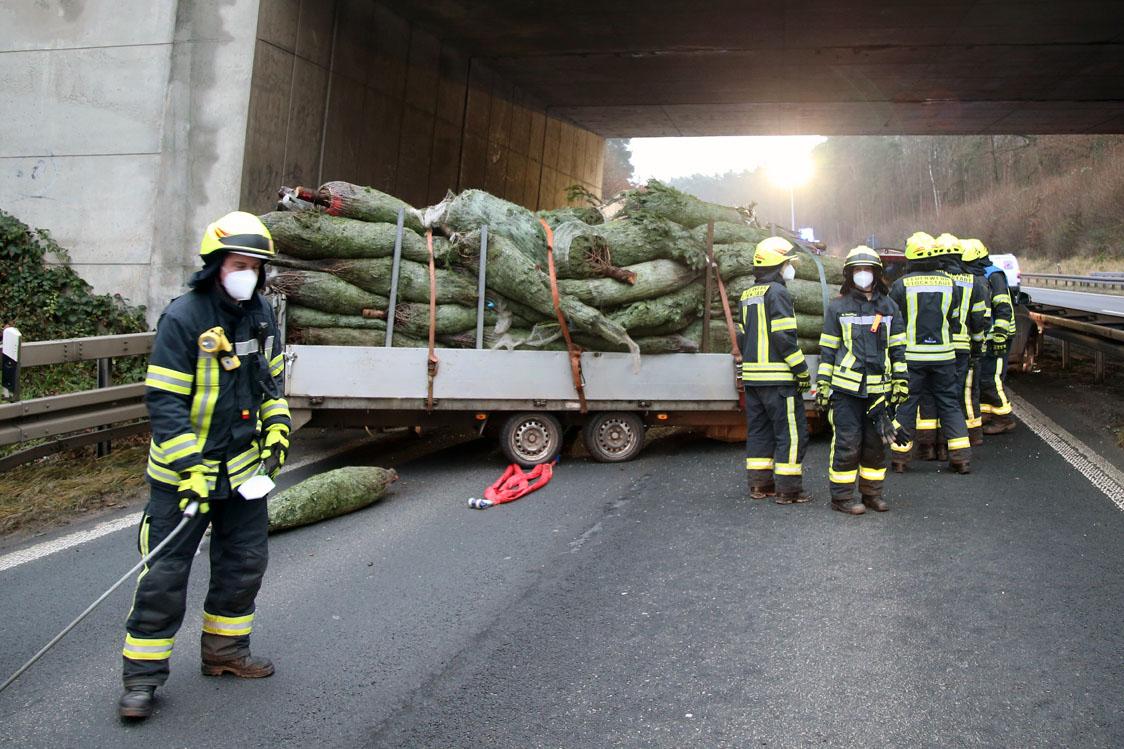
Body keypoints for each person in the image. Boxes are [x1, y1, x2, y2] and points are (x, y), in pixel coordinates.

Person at [118, 212, 291, 720]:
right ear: (215, 265)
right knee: (164, 579)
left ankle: (225, 654)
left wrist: (278, 428)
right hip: (182, 480)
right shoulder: (184, 318)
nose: (249, 274)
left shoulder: (260, 316)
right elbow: (165, 405)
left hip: (241, 476)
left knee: (243, 566)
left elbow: (271, 386)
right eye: (240, 264)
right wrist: (189, 466)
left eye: (257, 267)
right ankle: (142, 680)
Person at [816, 246, 907, 515]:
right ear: (849, 274)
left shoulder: (890, 307)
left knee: (875, 446)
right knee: (847, 442)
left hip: (879, 391)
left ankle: (872, 495)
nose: (863, 275)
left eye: (867, 270)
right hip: (846, 391)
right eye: (858, 270)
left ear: (877, 274)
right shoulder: (838, 307)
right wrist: (823, 384)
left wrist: (901, 380)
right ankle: (842, 498)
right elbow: (828, 350)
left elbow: (898, 347)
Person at [889, 231, 973, 474]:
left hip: (912, 357)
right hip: (945, 356)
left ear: (911, 258)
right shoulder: (950, 283)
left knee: (906, 404)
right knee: (949, 404)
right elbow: (955, 319)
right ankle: (961, 458)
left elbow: (893, 321)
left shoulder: (900, 285)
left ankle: (900, 458)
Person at [737, 236, 812, 504]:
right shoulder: (778, 293)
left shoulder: (747, 295)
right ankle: (788, 490)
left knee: (759, 432)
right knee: (791, 434)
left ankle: (760, 485)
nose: (790, 268)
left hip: (753, 379)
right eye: (787, 264)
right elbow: (784, 338)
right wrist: (801, 370)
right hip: (779, 380)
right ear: (776, 266)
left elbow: (742, 338)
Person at [914, 234, 991, 459]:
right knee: (953, 397)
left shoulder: (934, 280)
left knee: (929, 396)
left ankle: (929, 447)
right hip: (962, 348)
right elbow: (980, 319)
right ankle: (953, 446)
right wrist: (978, 346)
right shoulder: (974, 282)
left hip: (937, 348)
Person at [969, 241, 1017, 434]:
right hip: (989, 337)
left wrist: (999, 336)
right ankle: (988, 414)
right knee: (982, 377)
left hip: (999, 336)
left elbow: (1003, 307)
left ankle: (1004, 418)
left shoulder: (993, 275)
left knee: (991, 378)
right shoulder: (982, 274)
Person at [958, 239, 996, 445]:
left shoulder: (973, 282)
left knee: (967, 391)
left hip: (969, 346)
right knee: (969, 390)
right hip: (973, 344)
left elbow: (980, 318)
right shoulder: (978, 281)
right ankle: (972, 430)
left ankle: (973, 433)